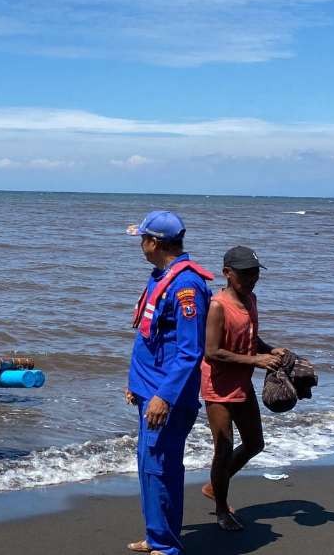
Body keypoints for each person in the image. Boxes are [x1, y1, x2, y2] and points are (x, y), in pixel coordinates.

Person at [124, 210, 213, 555]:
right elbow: (152, 339)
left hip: (167, 396)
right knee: (148, 466)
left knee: (161, 467)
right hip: (149, 389)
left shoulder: (186, 286)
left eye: (142, 239)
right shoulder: (161, 276)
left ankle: (167, 546)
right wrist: (135, 383)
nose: (140, 246)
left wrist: (164, 396)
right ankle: (156, 534)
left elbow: (190, 352)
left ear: (155, 242)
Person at [201, 246, 288, 531]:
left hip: (242, 383)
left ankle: (216, 485)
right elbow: (212, 351)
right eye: (245, 274)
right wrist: (256, 360)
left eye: (255, 273)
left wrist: (269, 349)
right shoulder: (217, 306)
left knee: (255, 443)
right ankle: (221, 509)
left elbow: (250, 337)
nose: (252, 279)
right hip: (218, 386)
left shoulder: (251, 299)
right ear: (227, 273)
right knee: (223, 449)